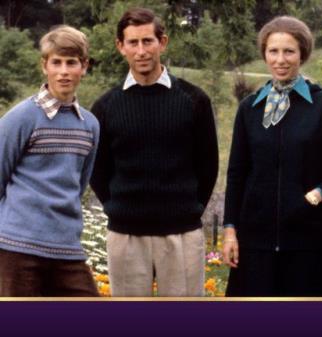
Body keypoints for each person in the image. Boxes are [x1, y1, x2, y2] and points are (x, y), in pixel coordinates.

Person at [222, 16, 322, 296]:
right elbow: (237, 172)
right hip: (255, 242)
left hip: (308, 241)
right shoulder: (249, 108)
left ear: (302, 54)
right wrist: (230, 229)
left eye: (289, 51)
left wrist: (318, 194)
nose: (281, 59)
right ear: (264, 54)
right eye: (273, 51)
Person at [90, 7, 218, 296]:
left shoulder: (194, 100)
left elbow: (208, 165)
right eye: (133, 43)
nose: (141, 50)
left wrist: (190, 208)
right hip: (126, 235)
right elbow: (97, 170)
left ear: (163, 42)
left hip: (181, 233)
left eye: (148, 41)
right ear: (120, 47)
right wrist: (116, 208)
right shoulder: (105, 107)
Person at [0, 26, 99, 296]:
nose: (64, 71)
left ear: (84, 66)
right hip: (18, 247)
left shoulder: (89, 125)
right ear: (45, 66)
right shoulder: (21, 118)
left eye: (72, 63)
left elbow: (78, 185)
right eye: (56, 62)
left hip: (67, 245)